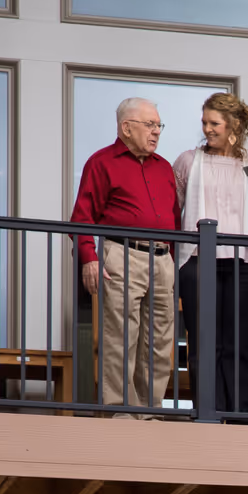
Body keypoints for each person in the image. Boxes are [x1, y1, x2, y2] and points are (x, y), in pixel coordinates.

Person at [71, 97, 179, 411]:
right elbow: (82, 216)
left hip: (161, 259)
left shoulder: (165, 168)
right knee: (121, 339)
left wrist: (170, 258)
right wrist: (89, 257)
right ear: (126, 128)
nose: (157, 131)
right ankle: (119, 412)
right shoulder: (102, 162)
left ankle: (149, 413)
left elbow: (174, 215)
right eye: (150, 124)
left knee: (159, 344)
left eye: (159, 125)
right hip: (122, 253)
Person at [172, 93, 248, 421]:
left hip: (246, 263)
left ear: (234, 125)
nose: (207, 129)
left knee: (241, 344)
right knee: (203, 343)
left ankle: (239, 414)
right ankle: (207, 412)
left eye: (214, 123)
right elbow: (173, 208)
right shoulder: (188, 160)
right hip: (200, 261)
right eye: (205, 122)